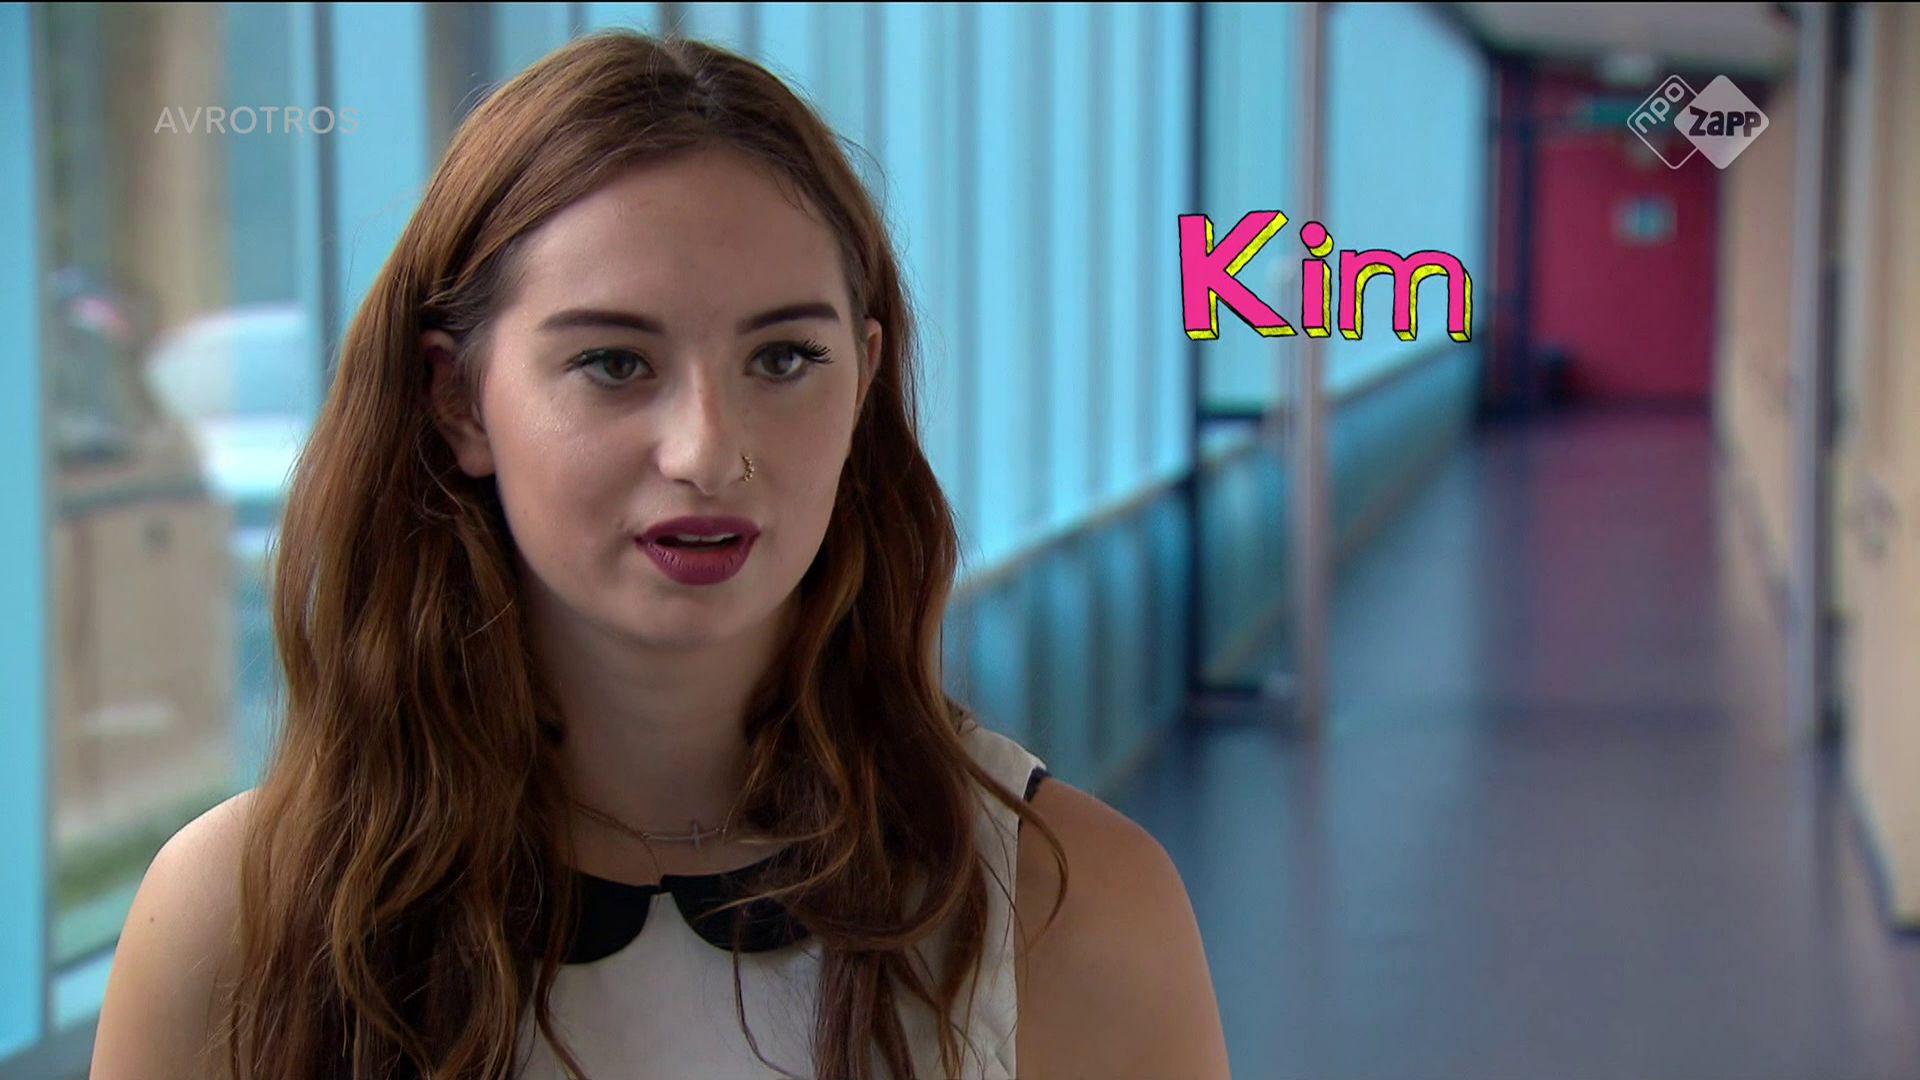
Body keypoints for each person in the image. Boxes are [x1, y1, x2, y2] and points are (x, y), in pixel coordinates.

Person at [89, 29, 1228, 1080]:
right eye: (615, 364)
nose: (707, 452)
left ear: (864, 381)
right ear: (458, 400)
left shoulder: (1070, 909)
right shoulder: (238, 924)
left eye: (784, 359)